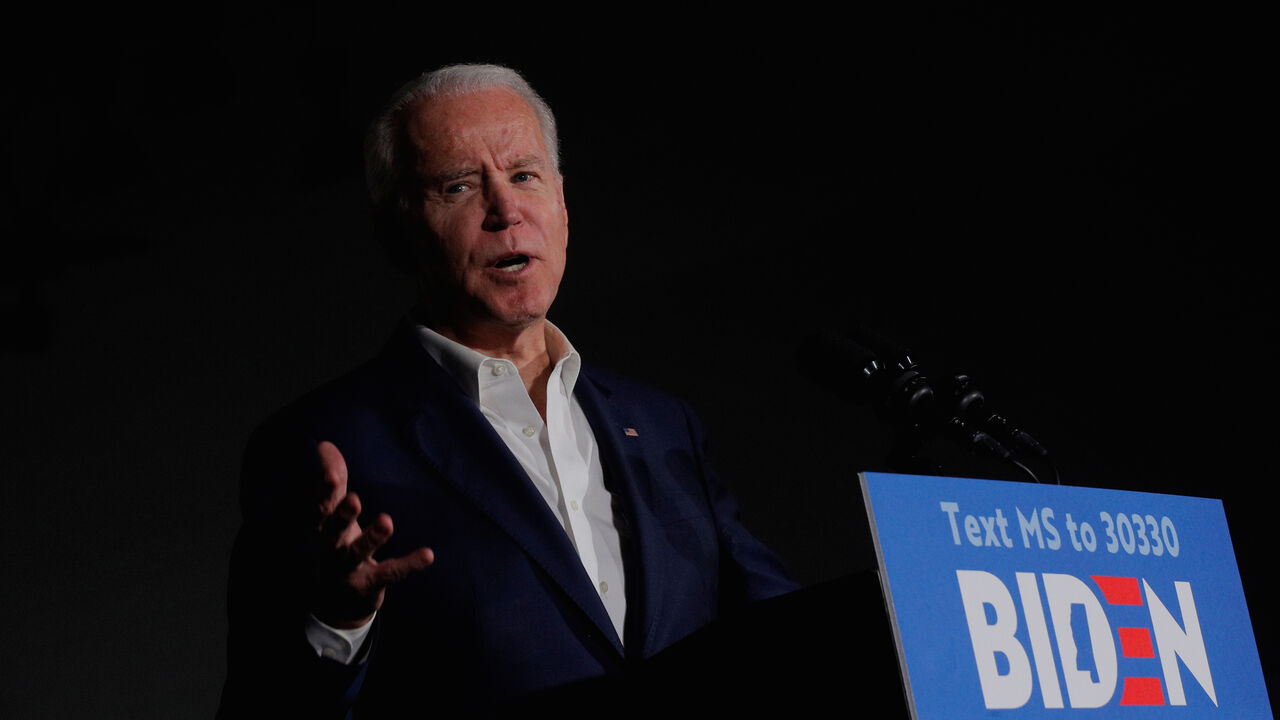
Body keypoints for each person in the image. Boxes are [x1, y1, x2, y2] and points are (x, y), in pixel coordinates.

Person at [217, 63, 797, 718]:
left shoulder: (662, 426)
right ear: (398, 235)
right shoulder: (326, 446)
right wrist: (336, 625)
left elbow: (791, 637)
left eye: (524, 176)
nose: (505, 210)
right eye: (459, 186)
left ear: (562, 207)